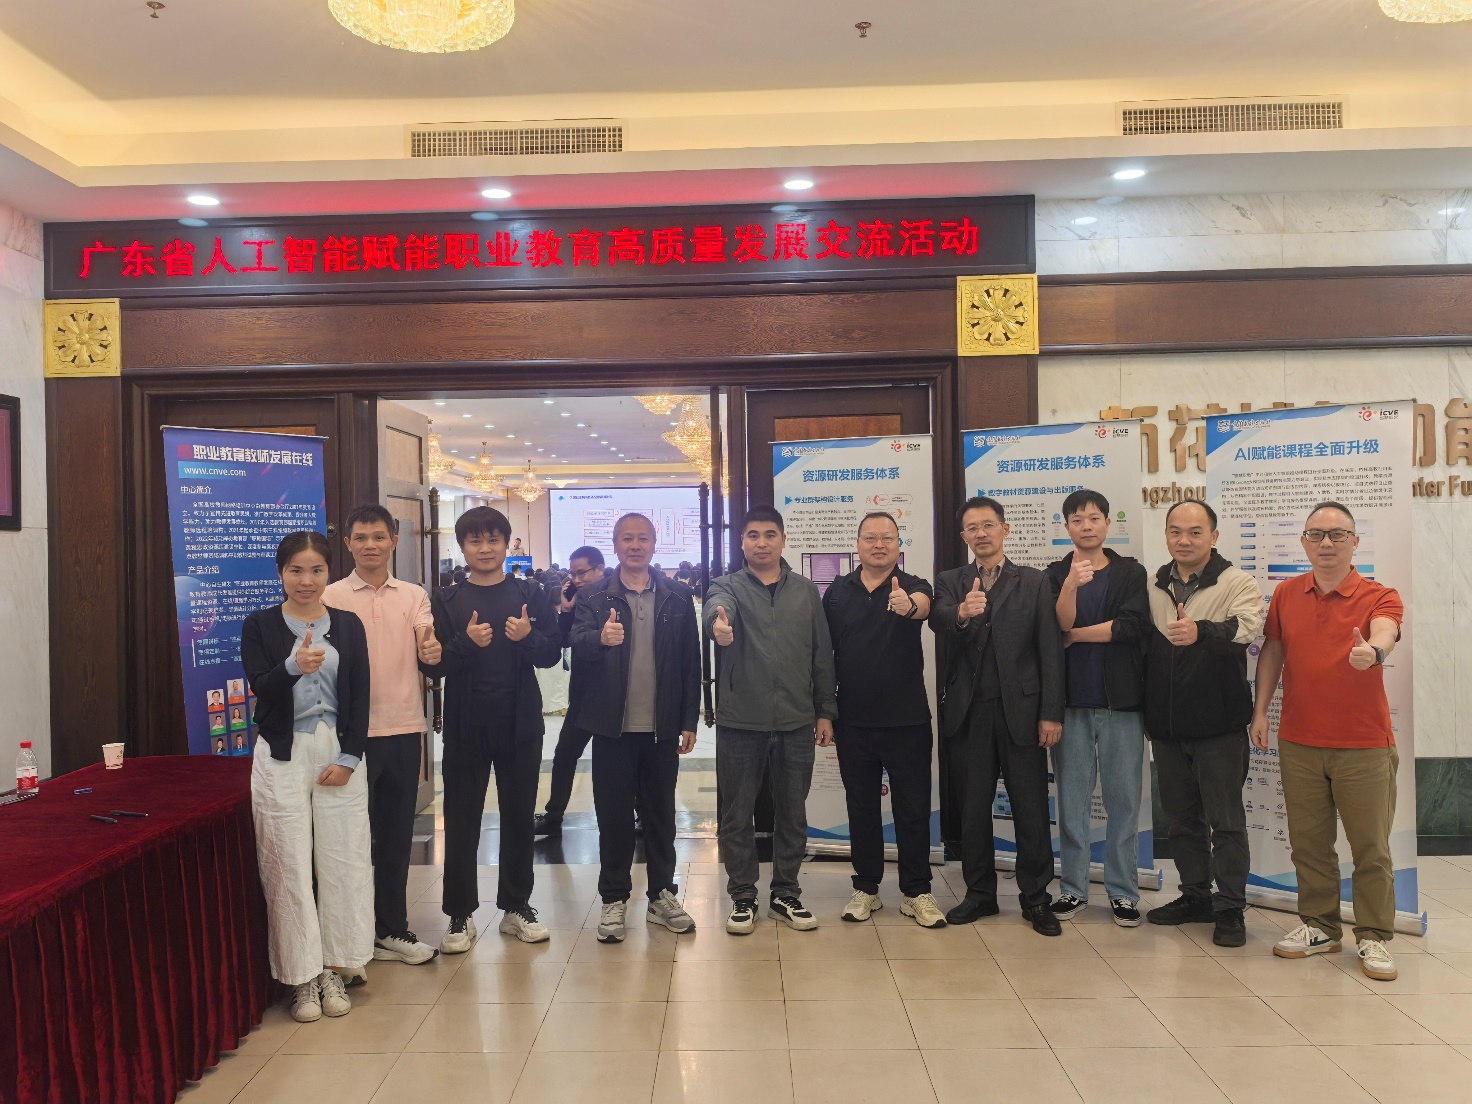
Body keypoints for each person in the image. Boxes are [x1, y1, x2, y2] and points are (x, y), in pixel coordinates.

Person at [1253, 502, 1404, 981]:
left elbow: (1387, 630)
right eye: (1316, 534)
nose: (1326, 543)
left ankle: (1374, 935)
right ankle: (1320, 926)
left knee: (1371, 847)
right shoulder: (1286, 593)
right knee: (1309, 843)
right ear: (1303, 542)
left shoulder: (1380, 594)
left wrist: (1373, 651)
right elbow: (1274, 649)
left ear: (1355, 542)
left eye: (1337, 535)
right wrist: (1260, 711)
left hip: (1364, 745)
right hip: (1299, 740)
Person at [241, 531, 373, 1024]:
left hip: (338, 751)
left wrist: (351, 755)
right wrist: (292, 666)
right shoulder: (259, 625)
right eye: (296, 570)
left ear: (328, 573)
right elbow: (262, 687)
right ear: (281, 573)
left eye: (316, 570)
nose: (306, 580)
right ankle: (302, 976)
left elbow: (360, 694)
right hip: (282, 754)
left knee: (344, 860)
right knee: (287, 863)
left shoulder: (349, 625)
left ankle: (337, 967)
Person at [419, 506, 562, 949]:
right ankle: (459, 914)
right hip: (466, 725)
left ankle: (516, 906)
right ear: (462, 547)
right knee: (462, 820)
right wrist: (466, 642)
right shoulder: (445, 599)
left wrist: (528, 637)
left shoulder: (531, 593)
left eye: (493, 540)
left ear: (506, 544)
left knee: (519, 816)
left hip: (520, 724)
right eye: (475, 541)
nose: (485, 548)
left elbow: (552, 654)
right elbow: (433, 665)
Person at [931, 497, 1064, 936]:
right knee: (972, 809)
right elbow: (938, 620)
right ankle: (980, 894)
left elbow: (1050, 650)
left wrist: (1050, 713)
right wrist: (962, 613)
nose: (981, 534)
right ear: (964, 537)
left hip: (1022, 712)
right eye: (972, 528)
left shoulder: (1034, 581)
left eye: (988, 525)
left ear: (1005, 530)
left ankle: (1036, 898)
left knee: (1030, 807)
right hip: (969, 713)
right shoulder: (951, 581)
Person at [705, 506, 837, 934]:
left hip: (797, 720)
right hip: (741, 721)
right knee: (736, 815)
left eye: (769, 534)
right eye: (753, 535)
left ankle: (785, 893)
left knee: (792, 814)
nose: (761, 542)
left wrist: (825, 711)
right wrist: (718, 626)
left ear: (783, 540)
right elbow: (716, 611)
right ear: (742, 542)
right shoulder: (726, 586)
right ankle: (743, 896)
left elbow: (821, 655)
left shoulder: (805, 591)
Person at [570, 514, 701, 942]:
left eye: (643, 538)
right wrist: (599, 639)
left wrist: (688, 719)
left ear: (654, 543)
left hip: (661, 728)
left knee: (661, 816)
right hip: (612, 728)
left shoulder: (677, 596)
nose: (635, 545)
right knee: (613, 818)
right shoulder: (593, 596)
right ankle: (614, 898)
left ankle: (663, 895)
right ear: (615, 544)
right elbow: (576, 644)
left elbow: (690, 662)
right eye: (627, 538)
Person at [324, 504, 441, 967]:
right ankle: (346, 936)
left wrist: (431, 651)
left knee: (394, 836)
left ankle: (392, 928)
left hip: (403, 728)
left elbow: (427, 643)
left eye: (378, 537)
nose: (369, 545)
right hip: (346, 734)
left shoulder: (413, 594)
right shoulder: (330, 595)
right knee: (347, 839)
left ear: (394, 541)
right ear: (347, 544)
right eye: (360, 537)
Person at [1143, 500, 1263, 948]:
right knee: (1182, 821)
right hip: (1169, 729)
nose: (1184, 540)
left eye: (1195, 532)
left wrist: (1202, 631)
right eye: (1175, 531)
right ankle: (1195, 896)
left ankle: (1230, 908)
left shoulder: (1236, 582)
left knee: (1225, 821)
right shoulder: (1155, 584)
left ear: (1213, 536)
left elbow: (1248, 628)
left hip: (1219, 728)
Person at [823, 512, 943, 928]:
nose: (879, 545)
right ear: (858, 544)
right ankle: (866, 888)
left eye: (887, 538)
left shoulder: (914, 585)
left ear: (898, 544)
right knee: (861, 809)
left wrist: (908, 607)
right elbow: (824, 654)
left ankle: (917, 892)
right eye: (871, 538)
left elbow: (924, 607)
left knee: (913, 809)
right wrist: (825, 710)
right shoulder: (837, 592)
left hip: (907, 720)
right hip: (853, 720)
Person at [1044, 490, 1151, 927]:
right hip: (1070, 703)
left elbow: (1131, 627)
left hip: (1121, 703)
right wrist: (1071, 585)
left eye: (1093, 518)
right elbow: (1058, 623)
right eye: (1077, 519)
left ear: (1108, 523)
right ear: (1066, 527)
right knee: (1071, 802)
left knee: (1123, 802)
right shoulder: (1055, 573)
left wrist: (1076, 636)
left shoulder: (1130, 572)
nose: (1086, 526)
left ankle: (1123, 893)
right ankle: (1073, 889)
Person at [535, 545, 607, 835]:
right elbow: (563, 641)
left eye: (582, 573)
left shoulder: (616, 597)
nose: (577, 579)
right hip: (582, 695)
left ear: (600, 569)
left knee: (616, 762)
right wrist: (566, 610)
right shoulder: (578, 601)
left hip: (615, 695)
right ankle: (554, 815)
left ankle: (635, 814)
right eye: (573, 574)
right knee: (564, 755)